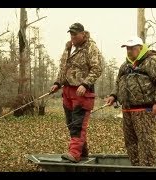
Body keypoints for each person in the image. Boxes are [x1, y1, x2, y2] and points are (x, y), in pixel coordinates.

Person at [106, 36, 156, 166]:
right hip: (127, 110)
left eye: (132, 48)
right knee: (130, 143)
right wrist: (113, 96)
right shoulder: (124, 66)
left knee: (146, 142)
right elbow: (118, 83)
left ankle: (148, 168)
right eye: (127, 48)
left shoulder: (151, 62)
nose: (129, 51)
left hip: (144, 110)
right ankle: (136, 167)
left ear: (140, 48)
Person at [50, 23, 103, 163]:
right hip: (67, 91)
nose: (72, 36)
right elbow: (63, 69)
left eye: (75, 34)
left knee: (78, 124)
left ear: (83, 34)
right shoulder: (68, 47)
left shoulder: (91, 47)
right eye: (71, 34)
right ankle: (82, 152)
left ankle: (74, 153)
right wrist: (57, 83)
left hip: (82, 92)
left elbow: (97, 68)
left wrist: (85, 84)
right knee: (71, 123)